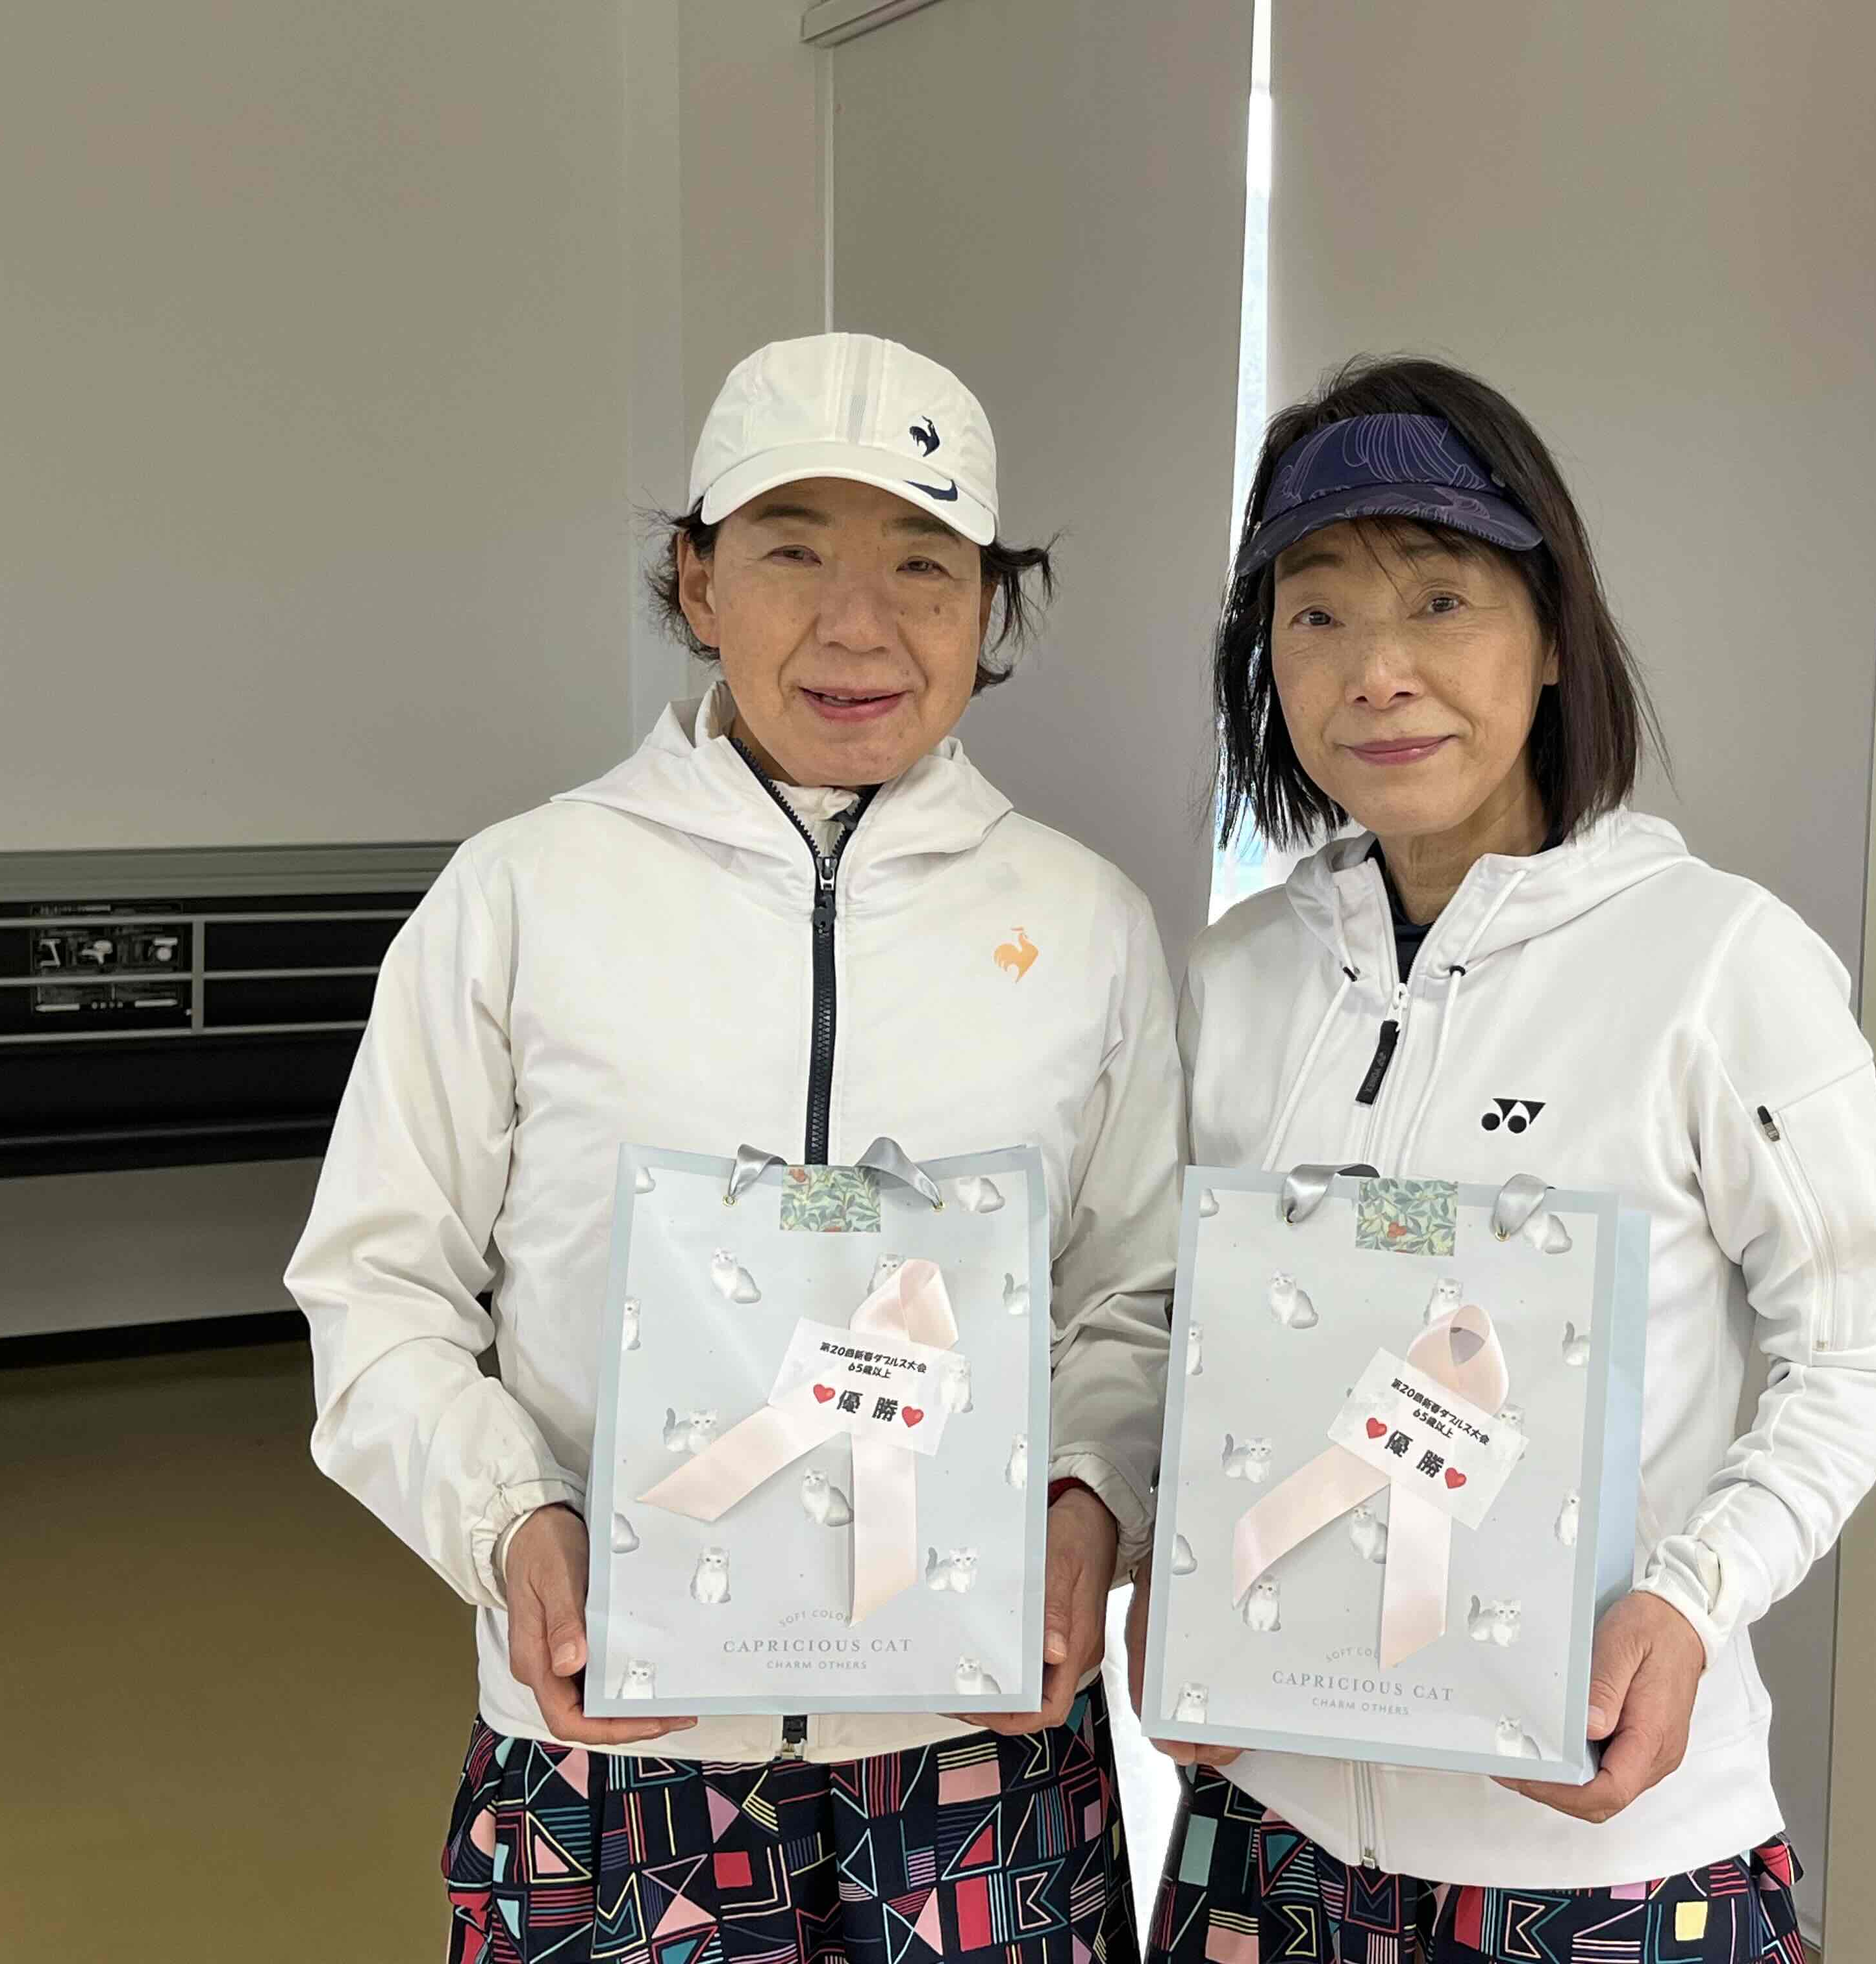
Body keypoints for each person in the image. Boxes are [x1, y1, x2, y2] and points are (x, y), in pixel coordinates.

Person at [290, 334, 1178, 1961]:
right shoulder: (522, 895)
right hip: (612, 1738)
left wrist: (1087, 1498)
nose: (859, 624)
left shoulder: (1087, 927)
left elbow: (1137, 1294)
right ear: (698, 583)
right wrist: (511, 1521)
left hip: (977, 1750)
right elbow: (377, 1287)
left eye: (924, 565)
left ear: (987, 607)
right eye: (792, 554)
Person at [1129, 358, 1876, 1963]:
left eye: (1442, 601)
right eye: (1317, 613)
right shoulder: (1238, 977)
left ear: (1554, 633)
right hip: (1268, 1836)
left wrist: (1692, 1601)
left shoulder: (1719, 963)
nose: (1379, 672)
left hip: (1601, 1849)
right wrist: (1172, 1558)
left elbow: (1863, 1350)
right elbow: (1179, 1332)